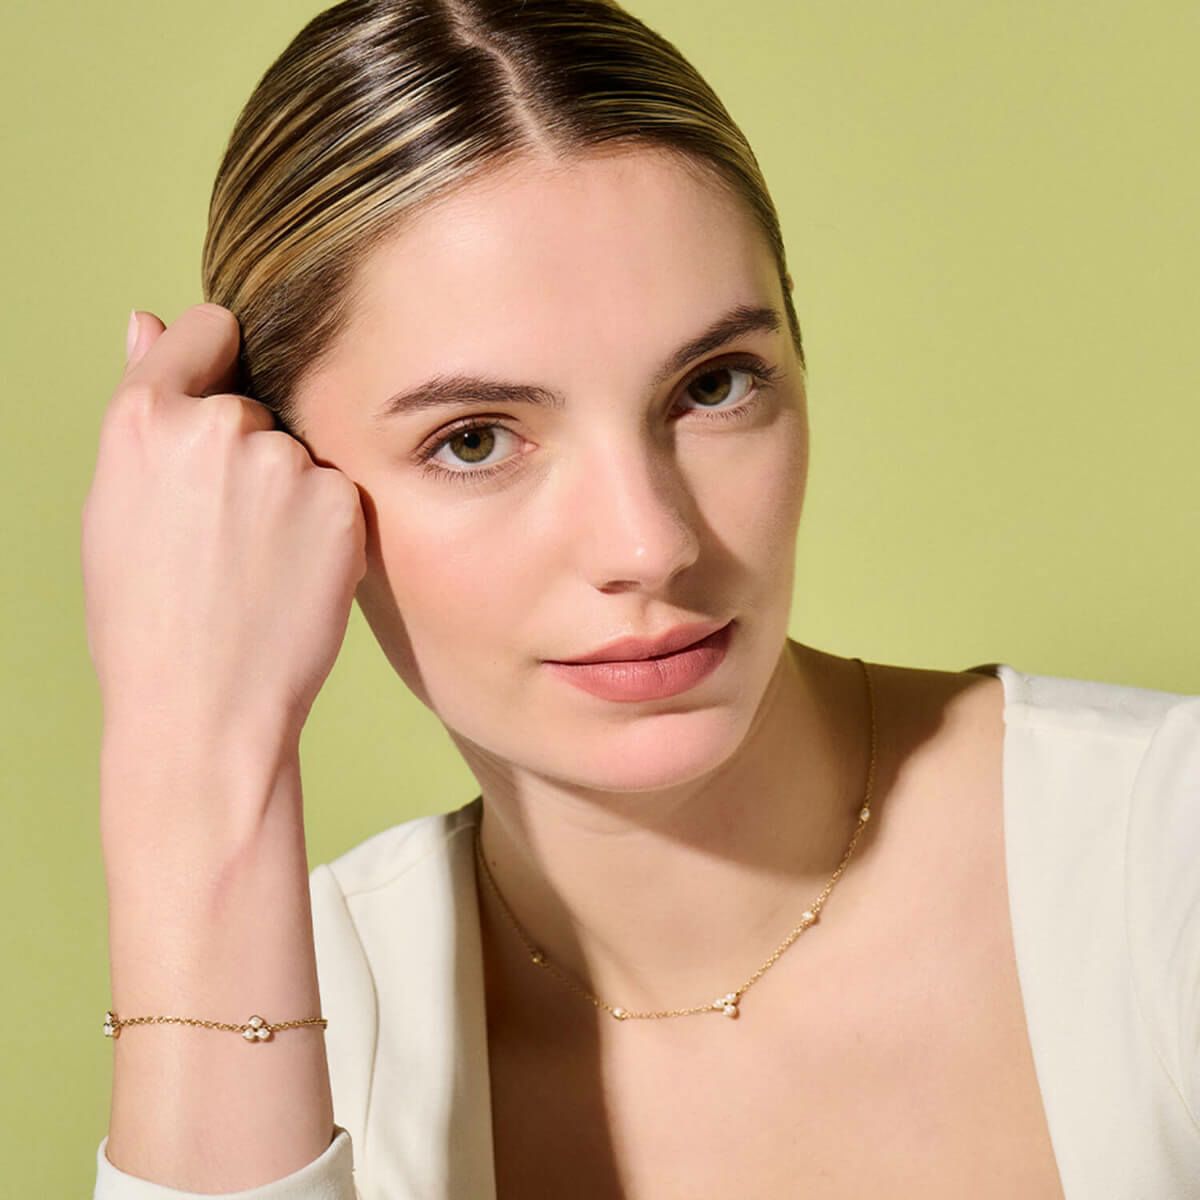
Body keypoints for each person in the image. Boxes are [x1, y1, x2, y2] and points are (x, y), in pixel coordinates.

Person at [85, 1, 1199, 1196]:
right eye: (474, 439)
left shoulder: (1161, 860)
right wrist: (192, 763)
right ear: (272, 487)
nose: (649, 544)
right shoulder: (285, 1013)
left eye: (713, 386)